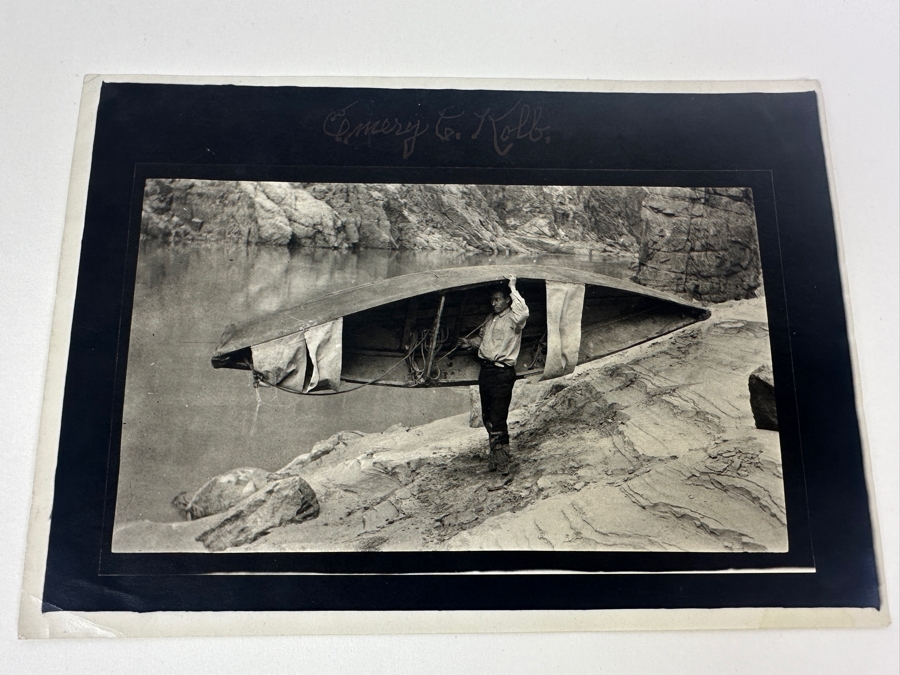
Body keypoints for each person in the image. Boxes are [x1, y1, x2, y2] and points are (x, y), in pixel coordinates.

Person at [457, 275, 529, 475]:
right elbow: (482, 340)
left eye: (497, 299)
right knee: (487, 417)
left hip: (502, 373)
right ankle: (495, 458)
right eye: (492, 300)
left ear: (507, 300)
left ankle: (503, 463)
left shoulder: (515, 319)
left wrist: (512, 287)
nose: (494, 303)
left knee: (498, 418)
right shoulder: (491, 318)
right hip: (487, 371)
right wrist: (468, 343)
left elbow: (523, 311)